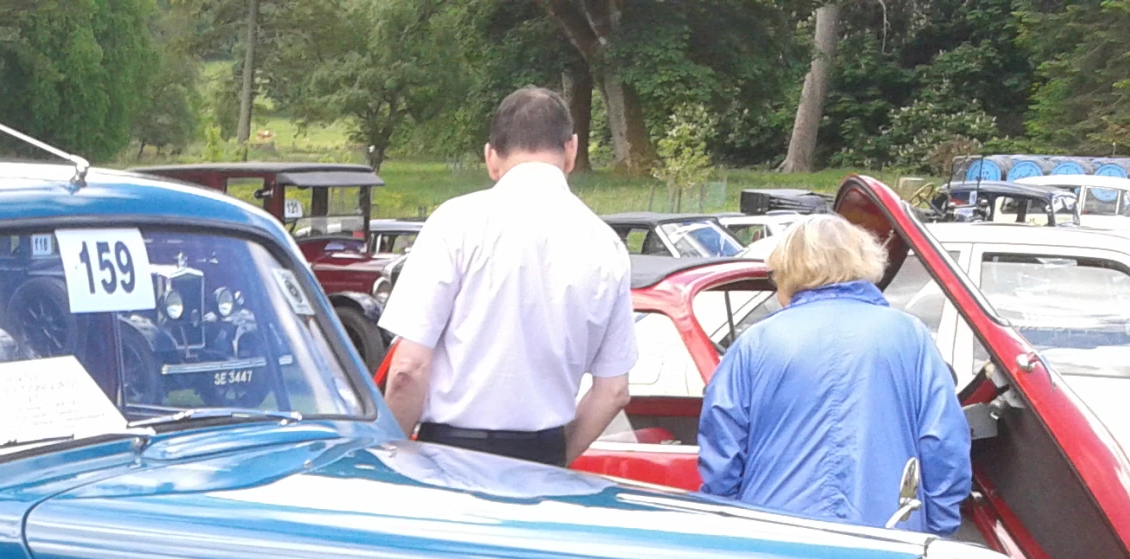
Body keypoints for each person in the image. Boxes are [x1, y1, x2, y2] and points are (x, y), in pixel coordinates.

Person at [378, 87, 636, 466]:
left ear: (491, 157)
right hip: (543, 458)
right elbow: (613, 391)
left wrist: (391, 458)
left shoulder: (456, 223)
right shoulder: (606, 245)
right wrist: (555, 460)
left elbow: (407, 370)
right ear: (572, 150)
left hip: (449, 457)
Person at [698, 214, 970, 533]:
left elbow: (723, 456)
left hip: (772, 534)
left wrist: (726, 525)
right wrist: (937, 530)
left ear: (789, 272)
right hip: (890, 535)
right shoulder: (911, 336)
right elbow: (943, 444)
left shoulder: (754, 343)